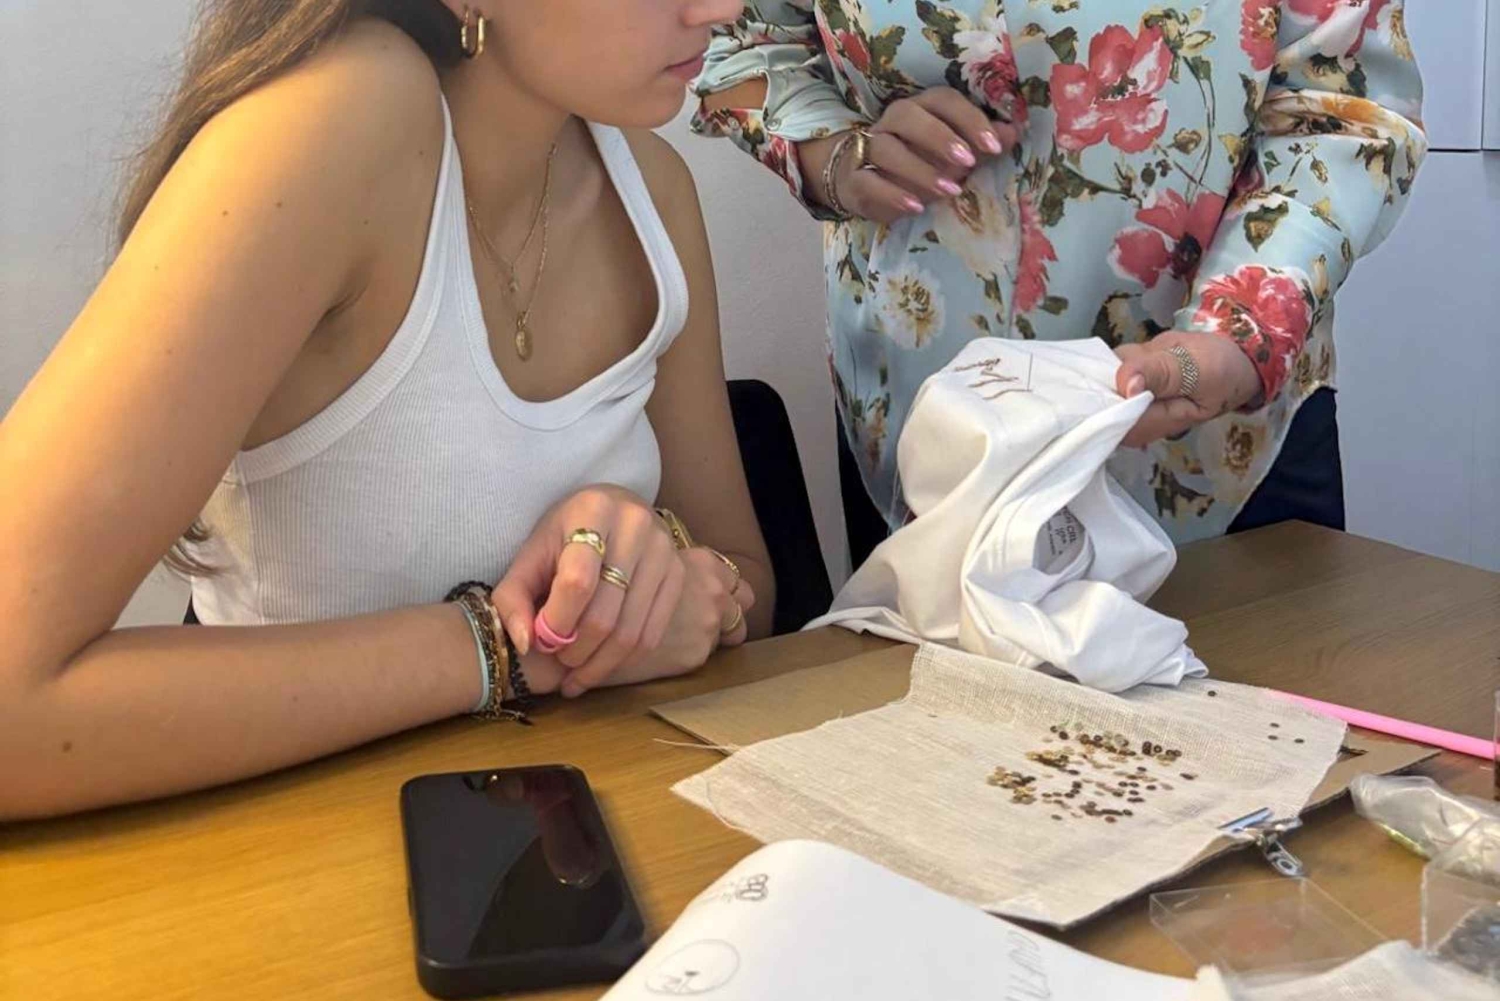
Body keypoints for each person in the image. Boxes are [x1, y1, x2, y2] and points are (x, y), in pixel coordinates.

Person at [0, 0, 768, 820]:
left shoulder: (650, 188)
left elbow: (748, 584)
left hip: (571, 833)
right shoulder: (336, 118)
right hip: (295, 856)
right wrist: (501, 645)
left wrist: (661, 569)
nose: (722, 7)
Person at [695, 1, 1425, 568]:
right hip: (918, 426)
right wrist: (835, 157)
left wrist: (1239, 330)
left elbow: (1339, 105)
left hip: (1221, 438)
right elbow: (738, 35)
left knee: (1273, 711)